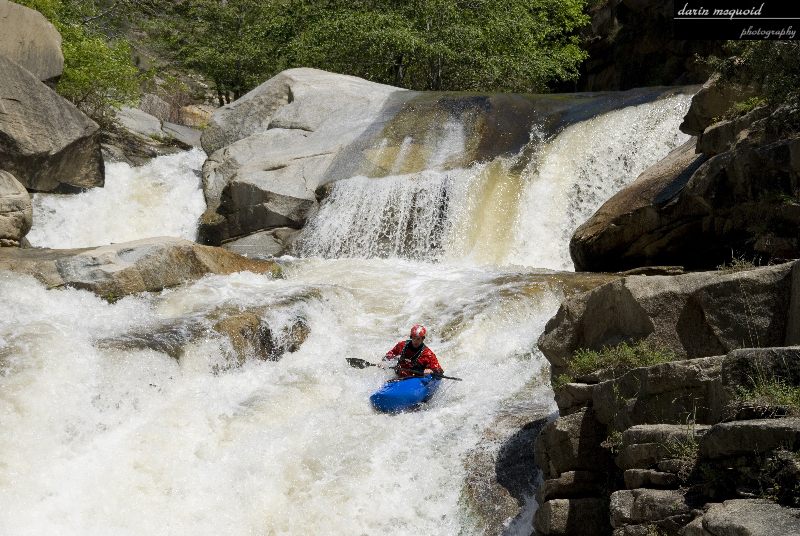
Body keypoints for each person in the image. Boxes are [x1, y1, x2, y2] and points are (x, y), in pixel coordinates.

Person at [379, 325, 443, 378]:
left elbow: (439, 372)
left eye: (418, 339)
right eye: (414, 338)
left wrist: (431, 371)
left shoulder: (428, 354)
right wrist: (384, 361)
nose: (416, 341)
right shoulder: (401, 345)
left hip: (416, 380)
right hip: (399, 378)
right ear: (411, 337)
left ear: (423, 339)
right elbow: (391, 353)